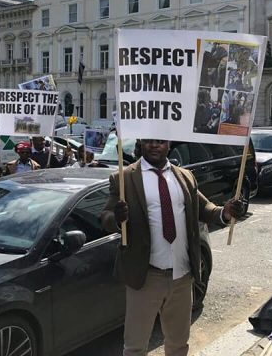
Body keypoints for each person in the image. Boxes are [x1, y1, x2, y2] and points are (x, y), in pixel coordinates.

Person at [100, 138, 243, 356]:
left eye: (160, 141)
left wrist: (225, 212)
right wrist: (117, 219)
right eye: (149, 141)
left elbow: (205, 208)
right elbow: (106, 217)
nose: (155, 145)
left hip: (182, 277)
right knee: (135, 347)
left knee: (178, 345)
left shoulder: (184, 176)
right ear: (141, 143)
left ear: (169, 144)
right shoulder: (124, 178)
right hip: (145, 278)